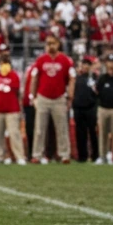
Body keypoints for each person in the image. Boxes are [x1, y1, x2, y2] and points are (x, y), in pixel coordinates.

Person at [28, 35, 75, 163]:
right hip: (43, 97)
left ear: (58, 44)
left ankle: (64, 154)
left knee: (62, 128)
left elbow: (71, 78)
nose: (50, 46)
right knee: (39, 129)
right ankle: (37, 154)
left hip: (59, 97)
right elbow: (35, 77)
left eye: (53, 43)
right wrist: (32, 95)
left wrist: (70, 96)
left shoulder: (65, 60)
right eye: (48, 43)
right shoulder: (41, 60)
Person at [0, 53, 25, 164]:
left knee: (14, 134)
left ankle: (19, 156)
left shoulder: (14, 76)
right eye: (2, 63)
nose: (4, 66)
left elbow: (17, 92)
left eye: (6, 63)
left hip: (12, 109)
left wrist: (20, 108)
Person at [73, 57, 99, 163]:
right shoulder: (76, 77)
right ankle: (82, 156)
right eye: (84, 64)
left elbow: (98, 92)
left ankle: (96, 156)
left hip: (91, 108)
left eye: (88, 64)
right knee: (80, 134)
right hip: (78, 108)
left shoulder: (95, 77)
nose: (85, 66)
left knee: (93, 133)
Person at [97, 54, 113, 164]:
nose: (112, 64)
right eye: (110, 62)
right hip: (103, 108)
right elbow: (97, 92)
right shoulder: (102, 78)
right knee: (103, 134)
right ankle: (102, 156)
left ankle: (112, 156)